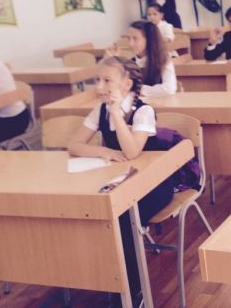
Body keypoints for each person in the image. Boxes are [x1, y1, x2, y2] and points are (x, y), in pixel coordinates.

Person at [68, 56, 174, 305]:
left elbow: (132, 152)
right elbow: (74, 144)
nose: (99, 87)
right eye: (98, 80)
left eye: (107, 81)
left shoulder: (143, 111)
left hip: (153, 184)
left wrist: (116, 113)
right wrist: (102, 151)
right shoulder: (100, 110)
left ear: (126, 84)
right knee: (93, 212)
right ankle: (106, 279)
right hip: (119, 181)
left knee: (122, 219)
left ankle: (133, 293)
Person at [120, 20, 177, 97]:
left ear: (149, 40)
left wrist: (138, 89)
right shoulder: (129, 63)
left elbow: (169, 88)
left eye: (135, 39)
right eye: (128, 39)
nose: (130, 44)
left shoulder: (163, 60)